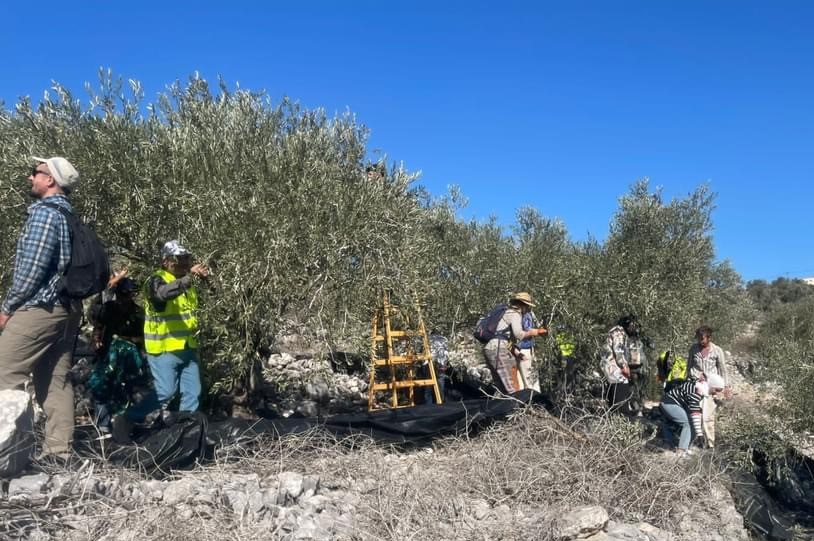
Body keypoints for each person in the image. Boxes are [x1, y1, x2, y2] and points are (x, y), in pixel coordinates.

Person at [0, 157, 82, 459]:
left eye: (36, 172)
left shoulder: (46, 215)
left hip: (39, 308)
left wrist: (8, 307)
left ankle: (9, 451)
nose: (30, 177)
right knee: (55, 381)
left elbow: (31, 271)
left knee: (3, 372)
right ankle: (59, 452)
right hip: (66, 309)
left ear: (50, 180)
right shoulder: (68, 215)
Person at [143, 240, 209, 413]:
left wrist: (206, 281)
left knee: (192, 393)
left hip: (187, 346)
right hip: (164, 348)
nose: (184, 263)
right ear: (166, 261)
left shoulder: (188, 282)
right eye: (179, 258)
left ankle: (186, 431)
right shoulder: (156, 280)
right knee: (165, 392)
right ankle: (129, 418)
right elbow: (162, 294)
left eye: (186, 258)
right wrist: (189, 279)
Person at [87, 269, 156, 434]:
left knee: (126, 390)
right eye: (124, 294)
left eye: (130, 295)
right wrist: (97, 340)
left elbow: (144, 336)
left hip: (129, 361)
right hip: (107, 358)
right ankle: (102, 425)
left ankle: (125, 423)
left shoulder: (138, 314)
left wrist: (130, 343)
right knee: (101, 387)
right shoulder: (108, 308)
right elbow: (95, 317)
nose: (126, 299)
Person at [482, 292, 547, 394]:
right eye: (527, 306)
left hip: (489, 349)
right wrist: (535, 332)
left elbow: (506, 338)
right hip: (499, 350)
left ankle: (504, 407)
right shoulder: (514, 314)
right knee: (512, 388)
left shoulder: (505, 313)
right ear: (523, 304)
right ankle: (516, 408)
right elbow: (518, 334)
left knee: (502, 387)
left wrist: (517, 353)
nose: (528, 309)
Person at [660, 373, 725, 456]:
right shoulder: (698, 391)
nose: (716, 393)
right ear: (711, 385)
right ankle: (681, 452)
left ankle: (685, 447)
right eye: (716, 390)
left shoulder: (701, 386)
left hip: (676, 403)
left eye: (719, 391)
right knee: (687, 423)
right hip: (668, 403)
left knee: (693, 423)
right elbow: (695, 415)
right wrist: (700, 434)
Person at [687, 326, 730, 448]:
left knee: (708, 416)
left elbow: (723, 369)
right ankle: (696, 440)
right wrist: (694, 376)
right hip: (696, 385)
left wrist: (726, 387)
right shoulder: (693, 349)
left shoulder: (717, 350)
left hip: (710, 387)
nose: (700, 340)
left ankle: (710, 444)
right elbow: (689, 367)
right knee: (695, 413)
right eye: (698, 338)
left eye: (702, 338)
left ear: (709, 338)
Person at [600, 315, 646, 416]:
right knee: (622, 388)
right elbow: (619, 352)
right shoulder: (619, 332)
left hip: (609, 367)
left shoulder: (618, 332)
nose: (634, 328)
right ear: (627, 324)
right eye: (633, 325)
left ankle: (615, 416)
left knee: (614, 392)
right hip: (613, 367)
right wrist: (625, 366)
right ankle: (622, 416)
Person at [516, 310, 541, 392]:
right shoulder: (526, 314)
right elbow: (529, 330)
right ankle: (535, 401)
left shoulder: (512, 313)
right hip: (525, 350)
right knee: (532, 382)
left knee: (521, 383)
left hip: (516, 350)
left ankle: (524, 402)